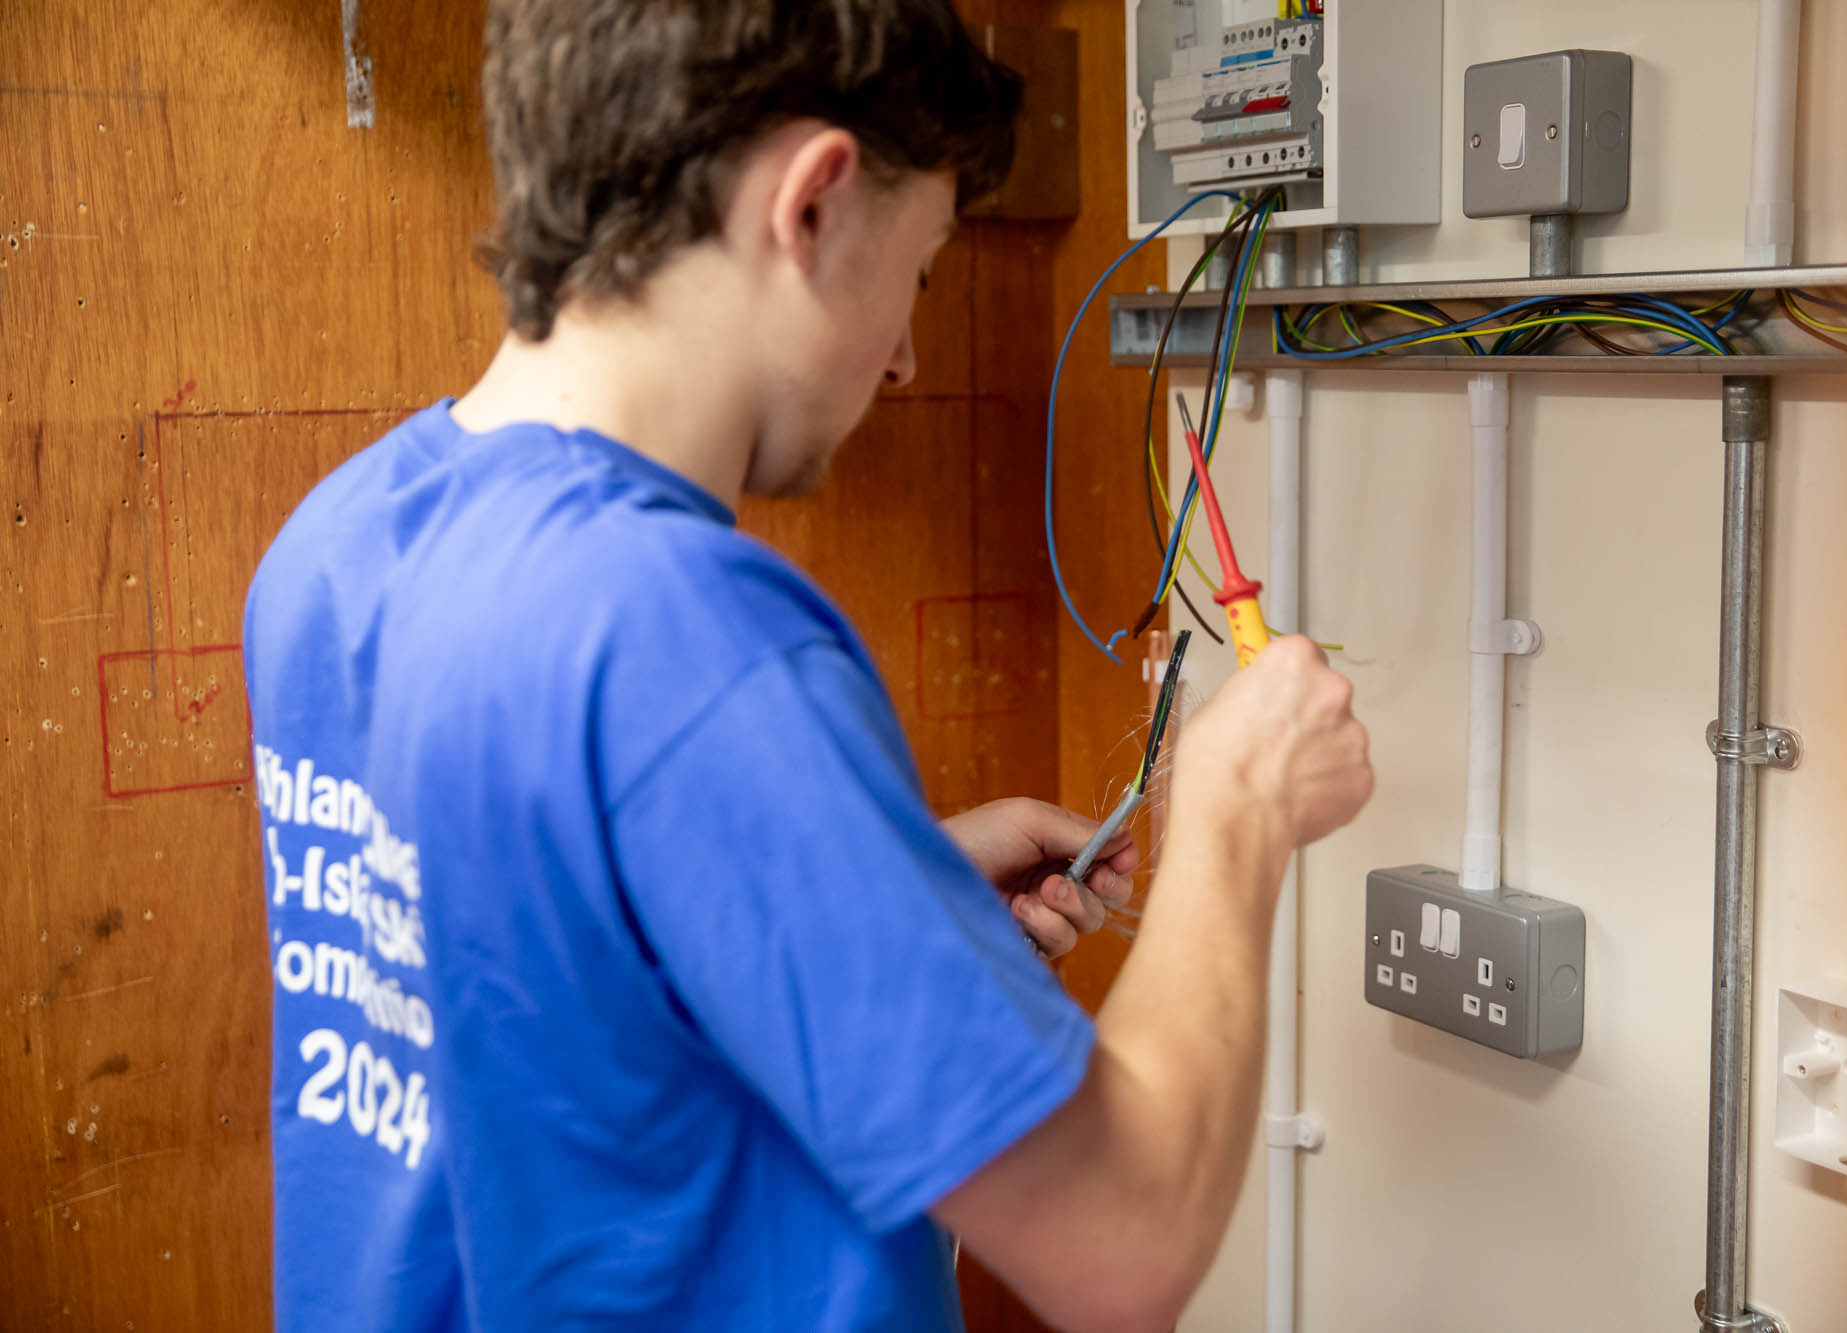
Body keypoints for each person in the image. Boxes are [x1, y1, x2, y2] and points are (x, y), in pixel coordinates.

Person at [242, 2, 1373, 1330]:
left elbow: (528, 986)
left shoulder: (335, 543)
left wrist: (891, 886)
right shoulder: (682, 632)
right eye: (922, 269)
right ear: (816, 202)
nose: (900, 356)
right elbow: (1121, 1243)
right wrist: (1239, 803)